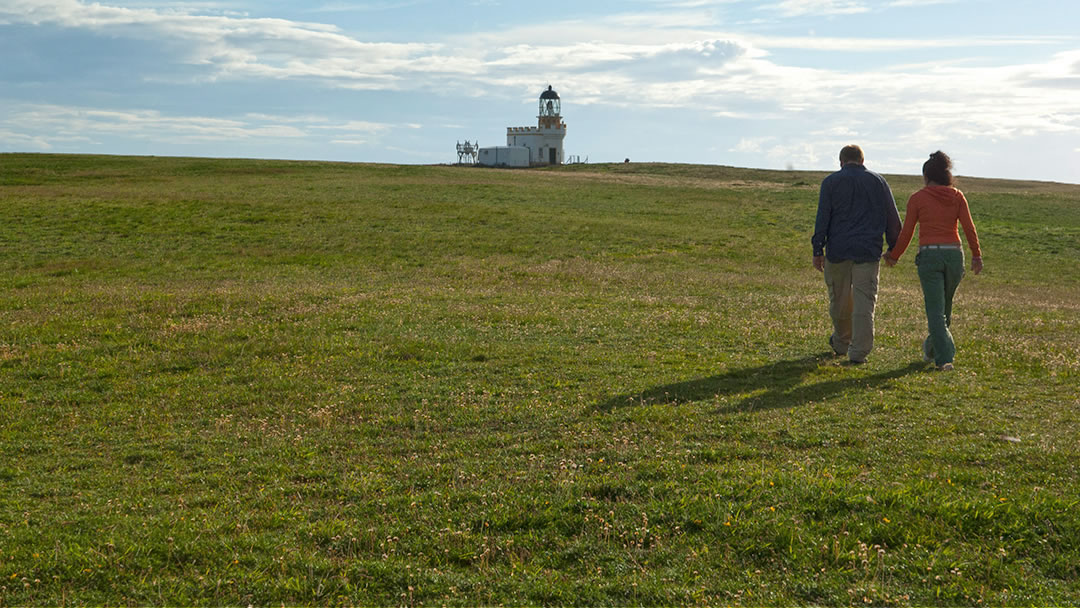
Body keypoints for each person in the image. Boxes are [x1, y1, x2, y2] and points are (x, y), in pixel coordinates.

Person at [884, 151, 982, 371]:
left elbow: (907, 232)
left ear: (926, 176)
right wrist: (976, 255)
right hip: (955, 256)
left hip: (930, 256)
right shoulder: (957, 196)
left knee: (936, 311)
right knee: (944, 309)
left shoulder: (918, 198)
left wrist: (893, 256)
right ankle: (932, 347)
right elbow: (968, 228)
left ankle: (945, 358)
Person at [812, 145, 901, 364]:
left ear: (841, 161)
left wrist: (818, 249)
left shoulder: (831, 182)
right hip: (868, 251)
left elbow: (823, 217)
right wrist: (893, 248)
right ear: (862, 161)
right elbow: (892, 218)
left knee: (839, 301)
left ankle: (842, 341)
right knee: (865, 302)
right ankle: (859, 351)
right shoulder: (878, 182)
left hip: (838, 250)